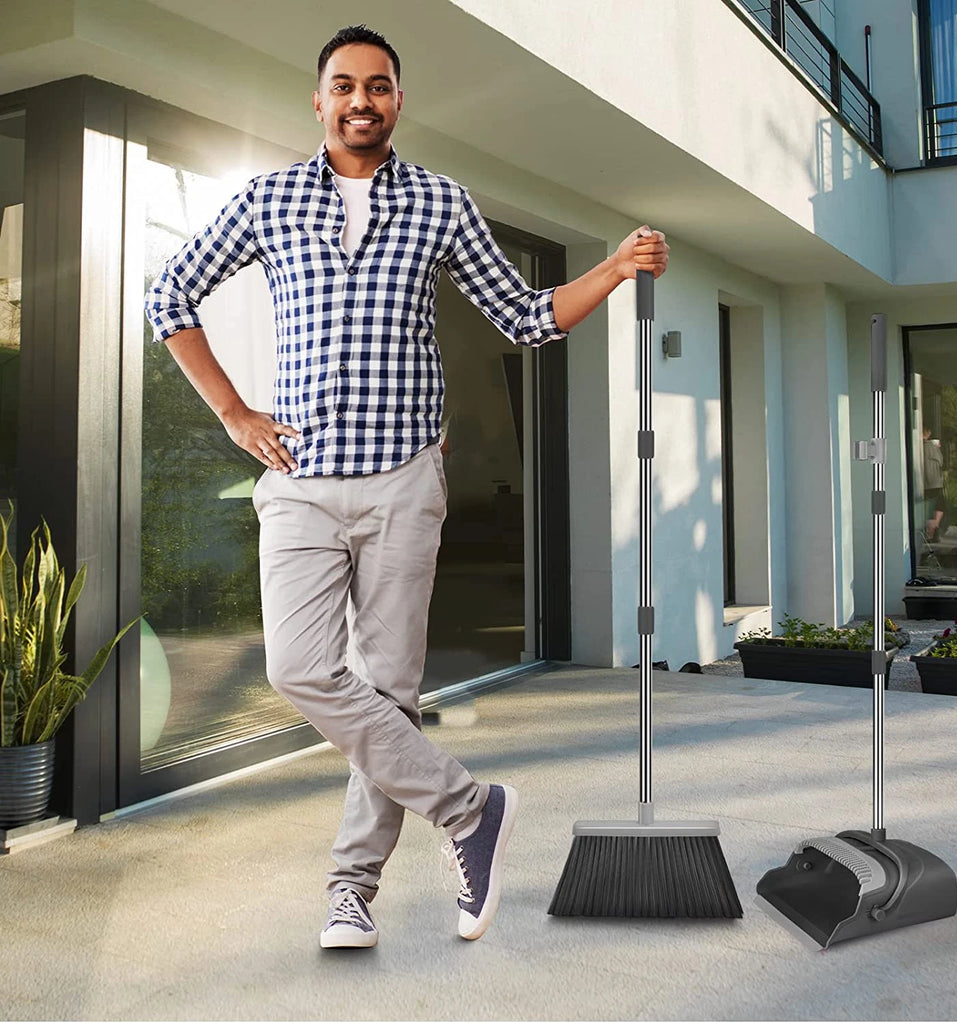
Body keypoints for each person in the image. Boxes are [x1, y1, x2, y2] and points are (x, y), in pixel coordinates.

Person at [145, 24, 669, 950]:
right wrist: (233, 414)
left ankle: (353, 889)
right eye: (343, 85)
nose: (360, 100)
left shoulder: (440, 203)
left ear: (398, 100)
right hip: (301, 479)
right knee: (300, 669)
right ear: (318, 101)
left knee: (386, 692)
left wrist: (616, 269)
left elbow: (525, 317)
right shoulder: (266, 200)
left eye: (378, 86)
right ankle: (468, 808)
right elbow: (169, 297)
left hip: (403, 480)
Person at [922, 426, 946, 539]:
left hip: (928, 483)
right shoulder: (930, 447)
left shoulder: (925, 447)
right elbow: (941, 463)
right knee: (937, 506)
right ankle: (931, 533)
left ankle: (931, 532)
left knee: (934, 506)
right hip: (933, 482)